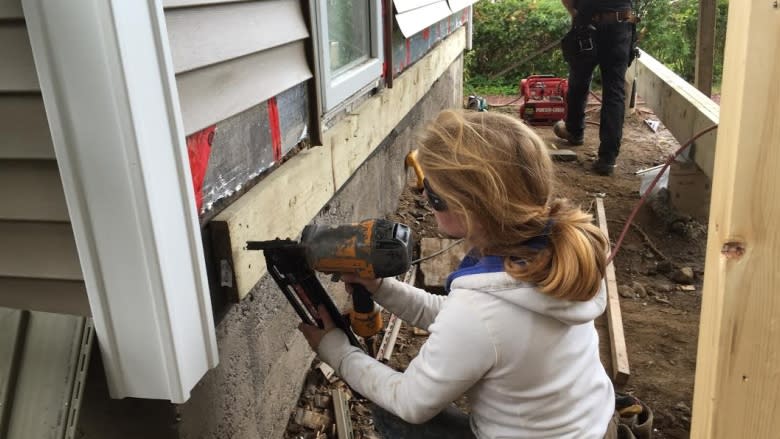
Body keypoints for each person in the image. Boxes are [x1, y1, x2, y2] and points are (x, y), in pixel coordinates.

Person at [299, 110, 615, 438]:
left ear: (465, 207)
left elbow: (411, 402)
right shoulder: (552, 255)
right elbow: (462, 319)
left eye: (430, 190)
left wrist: (335, 349)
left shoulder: (482, 313)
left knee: (395, 415)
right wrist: (381, 288)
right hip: (591, 424)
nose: (422, 194)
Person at [554, 0, 639, 176]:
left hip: (587, 22)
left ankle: (575, 131)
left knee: (579, 79)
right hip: (620, 24)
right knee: (614, 91)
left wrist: (575, 12)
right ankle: (607, 159)